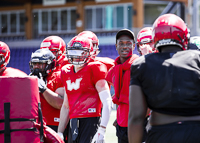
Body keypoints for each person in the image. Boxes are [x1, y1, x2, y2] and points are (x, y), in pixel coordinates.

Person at [128, 13, 200, 143]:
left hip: (161, 134)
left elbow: (136, 117)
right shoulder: (197, 58)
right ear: (184, 36)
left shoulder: (142, 64)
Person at [57, 35, 112, 143]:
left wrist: (102, 129)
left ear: (89, 53)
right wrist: (59, 132)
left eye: (81, 52)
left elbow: (107, 101)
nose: (77, 56)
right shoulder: (65, 71)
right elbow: (66, 105)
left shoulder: (95, 68)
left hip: (91, 120)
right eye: (74, 52)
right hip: (73, 122)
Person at [106, 29, 142, 143]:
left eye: (128, 43)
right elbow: (118, 97)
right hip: (121, 123)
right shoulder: (113, 70)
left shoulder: (139, 65)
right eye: (121, 43)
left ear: (134, 46)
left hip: (138, 122)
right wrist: (119, 116)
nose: (124, 46)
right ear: (116, 46)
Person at [29, 48, 68, 142]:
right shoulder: (29, 78)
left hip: (54, 126)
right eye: (35, 64)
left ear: (49, 64)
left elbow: (60, 104)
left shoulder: (58, 76)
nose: (37, 67)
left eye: (40, 64)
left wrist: (43, 89)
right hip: (35, 125)